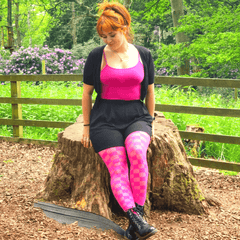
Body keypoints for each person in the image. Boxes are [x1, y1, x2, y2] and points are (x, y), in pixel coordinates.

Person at [81, 1, 157, 239]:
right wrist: (86, 127)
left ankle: (138, 220)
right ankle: (136, 220)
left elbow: (151, 92)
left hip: (136, 115)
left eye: (112, 34)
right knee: (117, 165)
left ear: (124, 28)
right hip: (104, 118)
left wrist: (150, 122)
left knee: (136, 151)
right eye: (103, 36)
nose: (108, 40)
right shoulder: (96, 56)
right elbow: (86, 93)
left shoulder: (144, 54)